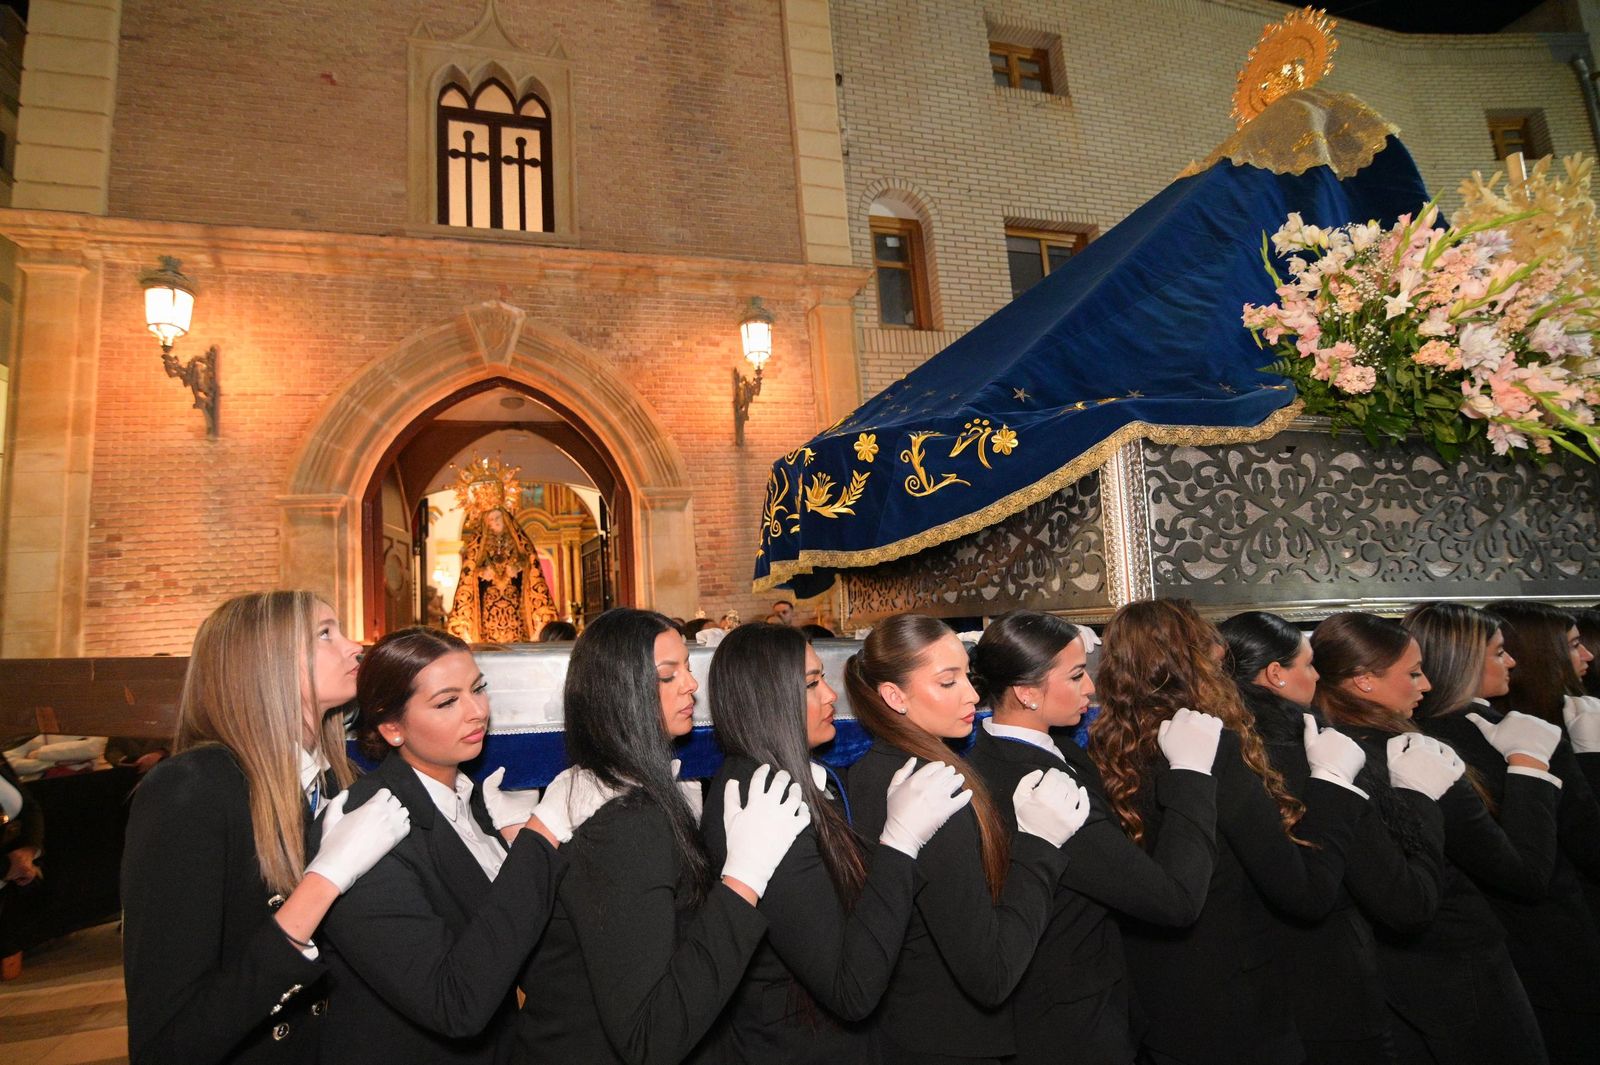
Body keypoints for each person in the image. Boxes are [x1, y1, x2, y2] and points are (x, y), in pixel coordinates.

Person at [122, 591, 412, 1065]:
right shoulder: (192, 789)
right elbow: (167, 1044)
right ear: (262, 662)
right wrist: (325, 880)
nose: (355, 647)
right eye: (324, 633)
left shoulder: (344, 780)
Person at [514, 608, 810, 1065]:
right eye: (668, 676)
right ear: (620, 693)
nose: (691, 685)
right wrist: (745, 877)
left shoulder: (631, 791)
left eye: (688, 669)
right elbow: (649, 1037)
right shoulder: (625, 819)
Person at [318, 627, 620, 1064]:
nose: (477, 711)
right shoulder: (368, 826)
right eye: (447, 702)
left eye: (478, 688)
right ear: (392, 727)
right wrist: (541, 835)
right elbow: (454, 1004)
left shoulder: (474, 801)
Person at [1092, 599, 1370, 1065]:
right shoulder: (1210, 749)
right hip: (1232, 1009)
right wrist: (1333, 784)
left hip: (1155, 998)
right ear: (1199, 664)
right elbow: (1304, 892)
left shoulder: (1105, 747)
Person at [701, 622, 972, 1063]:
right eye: (811, 683)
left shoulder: (779, 778)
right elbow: (852, 988)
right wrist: (900, 842)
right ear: (768, 698)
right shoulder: (764, 801)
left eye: (823, 678)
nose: (830, 696)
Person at [967, 610, 1221, 1065]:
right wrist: (1191, 774)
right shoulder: (1040, 784)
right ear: (1026, 692)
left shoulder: (1028, 751)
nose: (1091, 689)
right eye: (1078, 675)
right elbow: (1175, 900)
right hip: (1071, 1023)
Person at [843, 612, 1089, 1065]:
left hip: (908, 1030)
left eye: (968, 678)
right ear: (894, 696)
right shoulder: (930, 790)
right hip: (950, 1043)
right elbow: (991, 974)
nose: (973, 696)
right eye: (947, 682)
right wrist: (1040, 847)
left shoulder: (868, 771)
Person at [1316, 609, 1553, 1065]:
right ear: (1364, 680)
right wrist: (1531, 766)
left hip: (1381, 974)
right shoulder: (1414, 754)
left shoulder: (1323, 748)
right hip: (1460, 965)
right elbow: (1526, 874)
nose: (1425, 685)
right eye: (1413, 672)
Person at [1222, 610, 1452, 1065]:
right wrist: (1421, 798)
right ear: (1276, 675)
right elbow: (1406, 902)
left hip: (1247, 1000)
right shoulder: (1317, 754)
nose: (1317, 676)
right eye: (1308, 665)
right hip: (1334, 994)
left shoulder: (1216, 748)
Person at [1417, 602, 1600, 1064]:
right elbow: (1586, 843)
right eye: (1500, 652)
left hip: (1478, 954)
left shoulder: (1410, 737)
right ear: (1461, 662)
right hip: (1548, 939)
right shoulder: (1523, 735)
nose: (1512, 661)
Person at [448, 505, 560, 642]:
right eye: (490, 520)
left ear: (505, 519)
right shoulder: (478, 548)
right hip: (488, 610)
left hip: (516, 608)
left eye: (497, 518)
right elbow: (469, 573)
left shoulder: (520, 544)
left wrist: (519, 567)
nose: (495, 522)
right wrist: (480, 572)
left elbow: (532, 565)